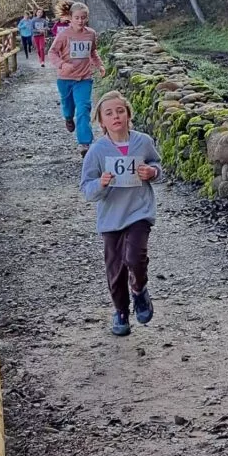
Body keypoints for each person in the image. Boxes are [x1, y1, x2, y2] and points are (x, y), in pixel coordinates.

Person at [80, 90, 162, 336]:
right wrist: (102, 184)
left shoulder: (143, 142)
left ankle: (139, 290)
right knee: (115, 269)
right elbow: (87, 188)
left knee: (135, 257)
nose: (115, 116)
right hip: (111, 218)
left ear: (128, 115)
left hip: (139, 212)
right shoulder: (97, 151)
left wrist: (152, 172)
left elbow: (158, 166)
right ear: (101, 121)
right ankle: (121, 313)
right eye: (109, 113)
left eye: (120, 111)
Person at [48, 1, 106, 154]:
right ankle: (68, 117)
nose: (80, 21)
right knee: (68, 107)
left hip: (84, 79)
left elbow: (93, 52)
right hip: (65, 79)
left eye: (83, 18)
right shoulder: (64, 35)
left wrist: (99, 65)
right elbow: (52, 52)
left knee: (83, 109)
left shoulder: (91, 34)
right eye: (77, 18)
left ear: (87, 18)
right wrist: (62, 64)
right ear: (70, 18)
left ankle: (85, 144)